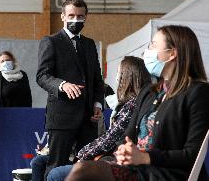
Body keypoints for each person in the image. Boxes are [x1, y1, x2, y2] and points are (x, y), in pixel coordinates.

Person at [65, 25, 209, 181]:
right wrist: (123, 151)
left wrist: (145, 157)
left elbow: (192, 154)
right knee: (83, 169)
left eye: (153, 45)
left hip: (168, 173)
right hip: (137, 168)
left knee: (83, 172)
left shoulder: (198, 92)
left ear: (172, 53)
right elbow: (127, 137)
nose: (147, 51)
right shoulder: (149, 91)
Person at [47, 56, 151, 181]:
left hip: (117, 160)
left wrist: (82, 154)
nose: (117, 77)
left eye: (119, 73)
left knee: (55, 174)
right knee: (40, 162)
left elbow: (110, 137)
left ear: (127, 76)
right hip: (105, 155)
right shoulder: (131, 103)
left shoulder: (131, 105)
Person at [36, 0, 104, 179]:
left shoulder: (90, 45)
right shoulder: (50, 41)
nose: (76, 19)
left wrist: (98, 104)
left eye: (80, 16)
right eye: (71, 15)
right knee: (56, 167)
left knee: (85, 169)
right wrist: (62, 85)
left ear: (86, 17)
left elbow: (97, 80)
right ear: (62, 16)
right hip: (61, 119)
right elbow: (42, 76)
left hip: (88, 119)